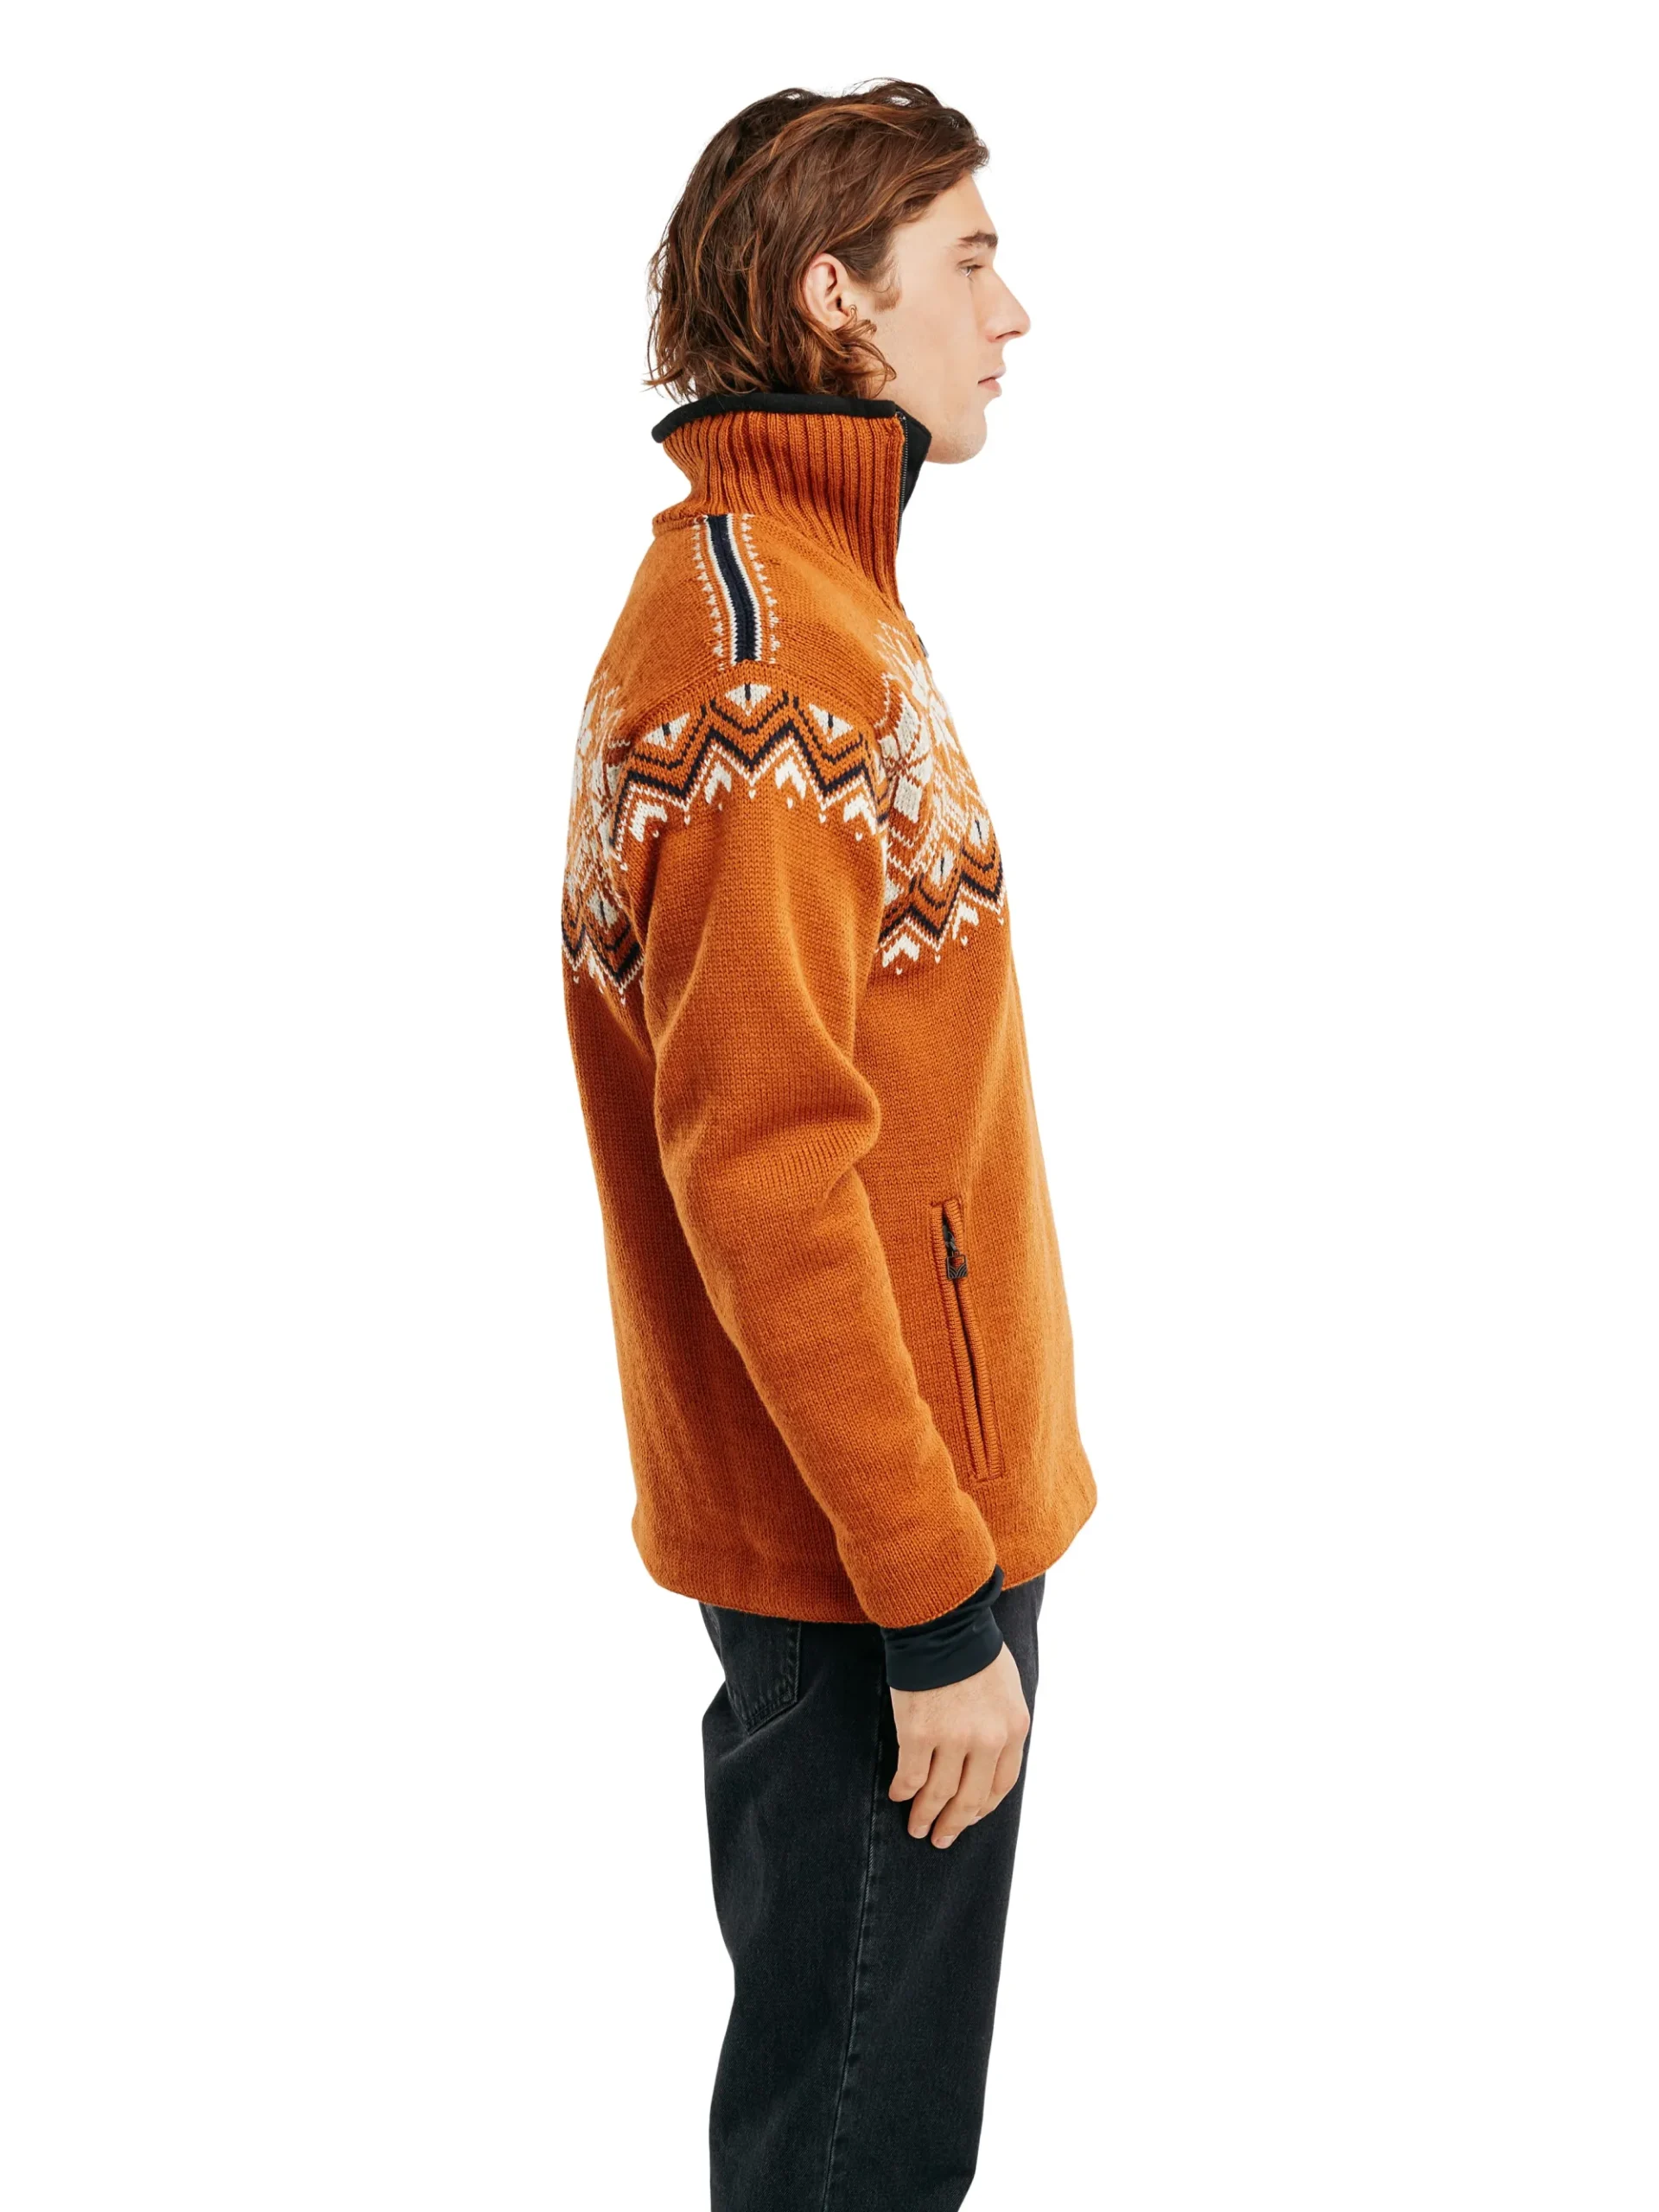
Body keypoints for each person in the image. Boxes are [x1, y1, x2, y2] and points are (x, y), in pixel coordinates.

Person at [561, 78, 1096, 2211]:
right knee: (858, 2157)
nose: (1013, 313)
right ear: (833, 301)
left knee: (857, 2128)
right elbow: (765, 1167)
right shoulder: (754, 652)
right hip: (882, 1561)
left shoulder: (811, 597)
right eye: (969, 259)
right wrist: (938, 1603)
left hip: (902, 1526)